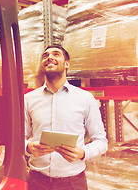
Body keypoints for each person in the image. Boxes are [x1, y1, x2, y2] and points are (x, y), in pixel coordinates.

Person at [24, 45, 108, 190]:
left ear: (67, 64)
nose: (49, 57)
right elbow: (19, 138)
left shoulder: (85, 98)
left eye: (56, 54)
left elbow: (101, 141)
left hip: (73, 183)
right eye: (45, 56)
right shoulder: (28, 99)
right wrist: (28, 147)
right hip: (36, 181)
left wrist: (82, 153)